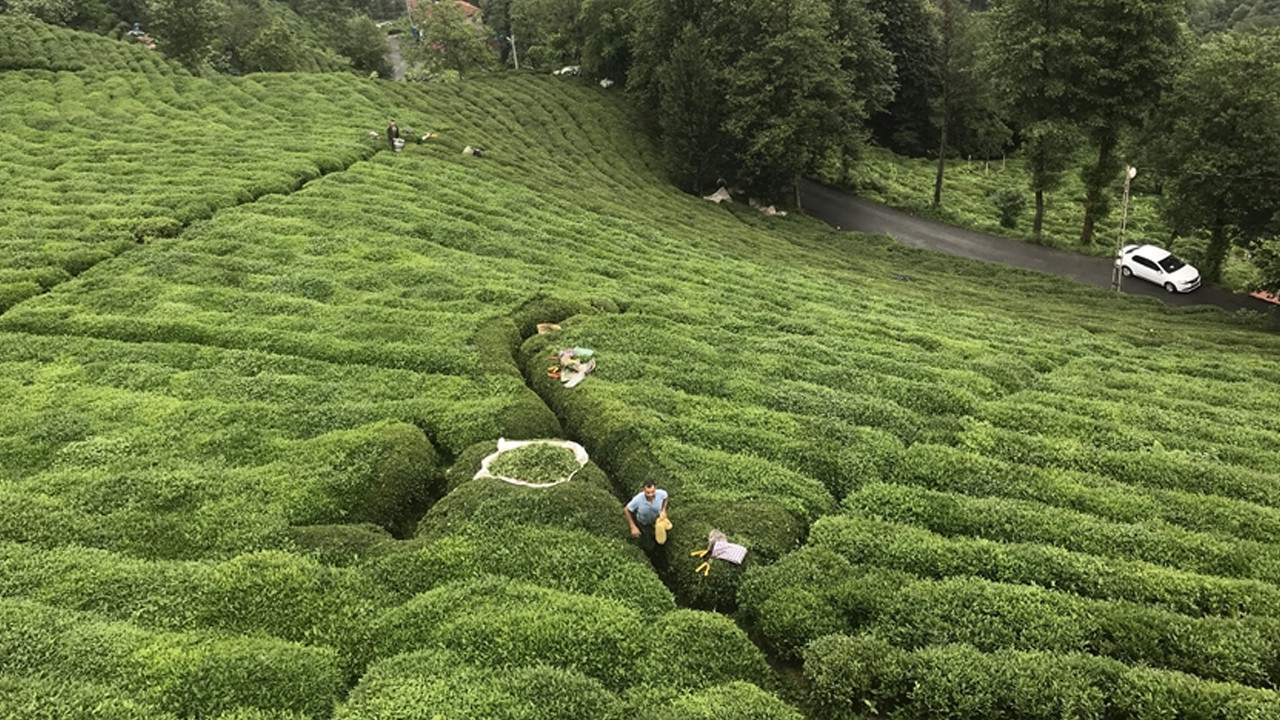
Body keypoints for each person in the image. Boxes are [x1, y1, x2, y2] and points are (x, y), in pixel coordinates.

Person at [624, 481, 669, 555]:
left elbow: (665, 497)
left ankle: (660, 551)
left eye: (652, 492)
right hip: (644, 524)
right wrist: (633, 527)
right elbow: (626, 509)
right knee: (648, 546)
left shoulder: (661, 494)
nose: (651, 495)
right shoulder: (638, 499)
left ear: (655, 489)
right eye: (648, 492)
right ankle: (650, 554)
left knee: (661, 539)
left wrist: (663, 510)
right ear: (643, 490)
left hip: (657, 521)